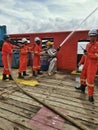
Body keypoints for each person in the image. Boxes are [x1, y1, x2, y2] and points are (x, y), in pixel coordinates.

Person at [75, 29, 98, 102]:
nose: (91, 37)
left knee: (90, 80)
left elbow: (96, 56)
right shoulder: (88, 45)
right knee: (82, 76)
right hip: (86, 64)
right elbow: (84, 55)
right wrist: (80, 62)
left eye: (92, 36)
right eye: (90, 36)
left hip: (93, 65)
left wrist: (89, 54)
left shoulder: (97, 45)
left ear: (95, 36)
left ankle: (90, 95)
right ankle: (82, 87)